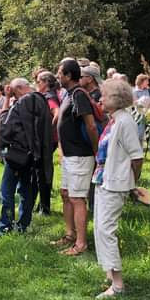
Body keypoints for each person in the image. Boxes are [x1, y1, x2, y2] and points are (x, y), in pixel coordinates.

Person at [93, 79, 144, 298]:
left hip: (116, 183)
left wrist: (133, 183)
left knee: (106, 229)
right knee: (99, 227)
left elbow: (137, 156)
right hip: (104, 179)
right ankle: (108, 272)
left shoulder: (125, 122)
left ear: (115, 99)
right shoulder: (114, 120)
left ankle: (118, 284)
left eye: (104, 96)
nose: (100, 99)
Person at [53, 59, 99, 256]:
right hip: (69, 156)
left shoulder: (79, 94)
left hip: (80, 155)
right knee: (65, 193)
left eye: (60, 73)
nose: (57, 76)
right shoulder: (67, 94)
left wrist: (98, 154)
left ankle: (81, 244)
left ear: (69, 76)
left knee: (77, 198)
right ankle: (70, 234)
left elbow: (90, 125)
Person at [0, 78, 52, 235]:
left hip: (17, 155)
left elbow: (6, 127)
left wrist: (7, 99)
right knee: (26, 190)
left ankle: (5, 228)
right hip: (33, 156)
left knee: (6, 190)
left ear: (20, 89)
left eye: (14, 93)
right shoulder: (42, 101)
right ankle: (23, 226)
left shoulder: (22, 102)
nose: (14, 97)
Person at [34, 71, 60, 215]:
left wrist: (49, 128)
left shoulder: (49, 97)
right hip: (49, 140)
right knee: (42, 172)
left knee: (43, 172)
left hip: (47, 141)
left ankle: (45, 208)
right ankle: (42, 205)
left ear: (45, 83)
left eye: (38, 82)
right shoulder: (50, 95)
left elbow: (57, 112)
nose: (37, 84)